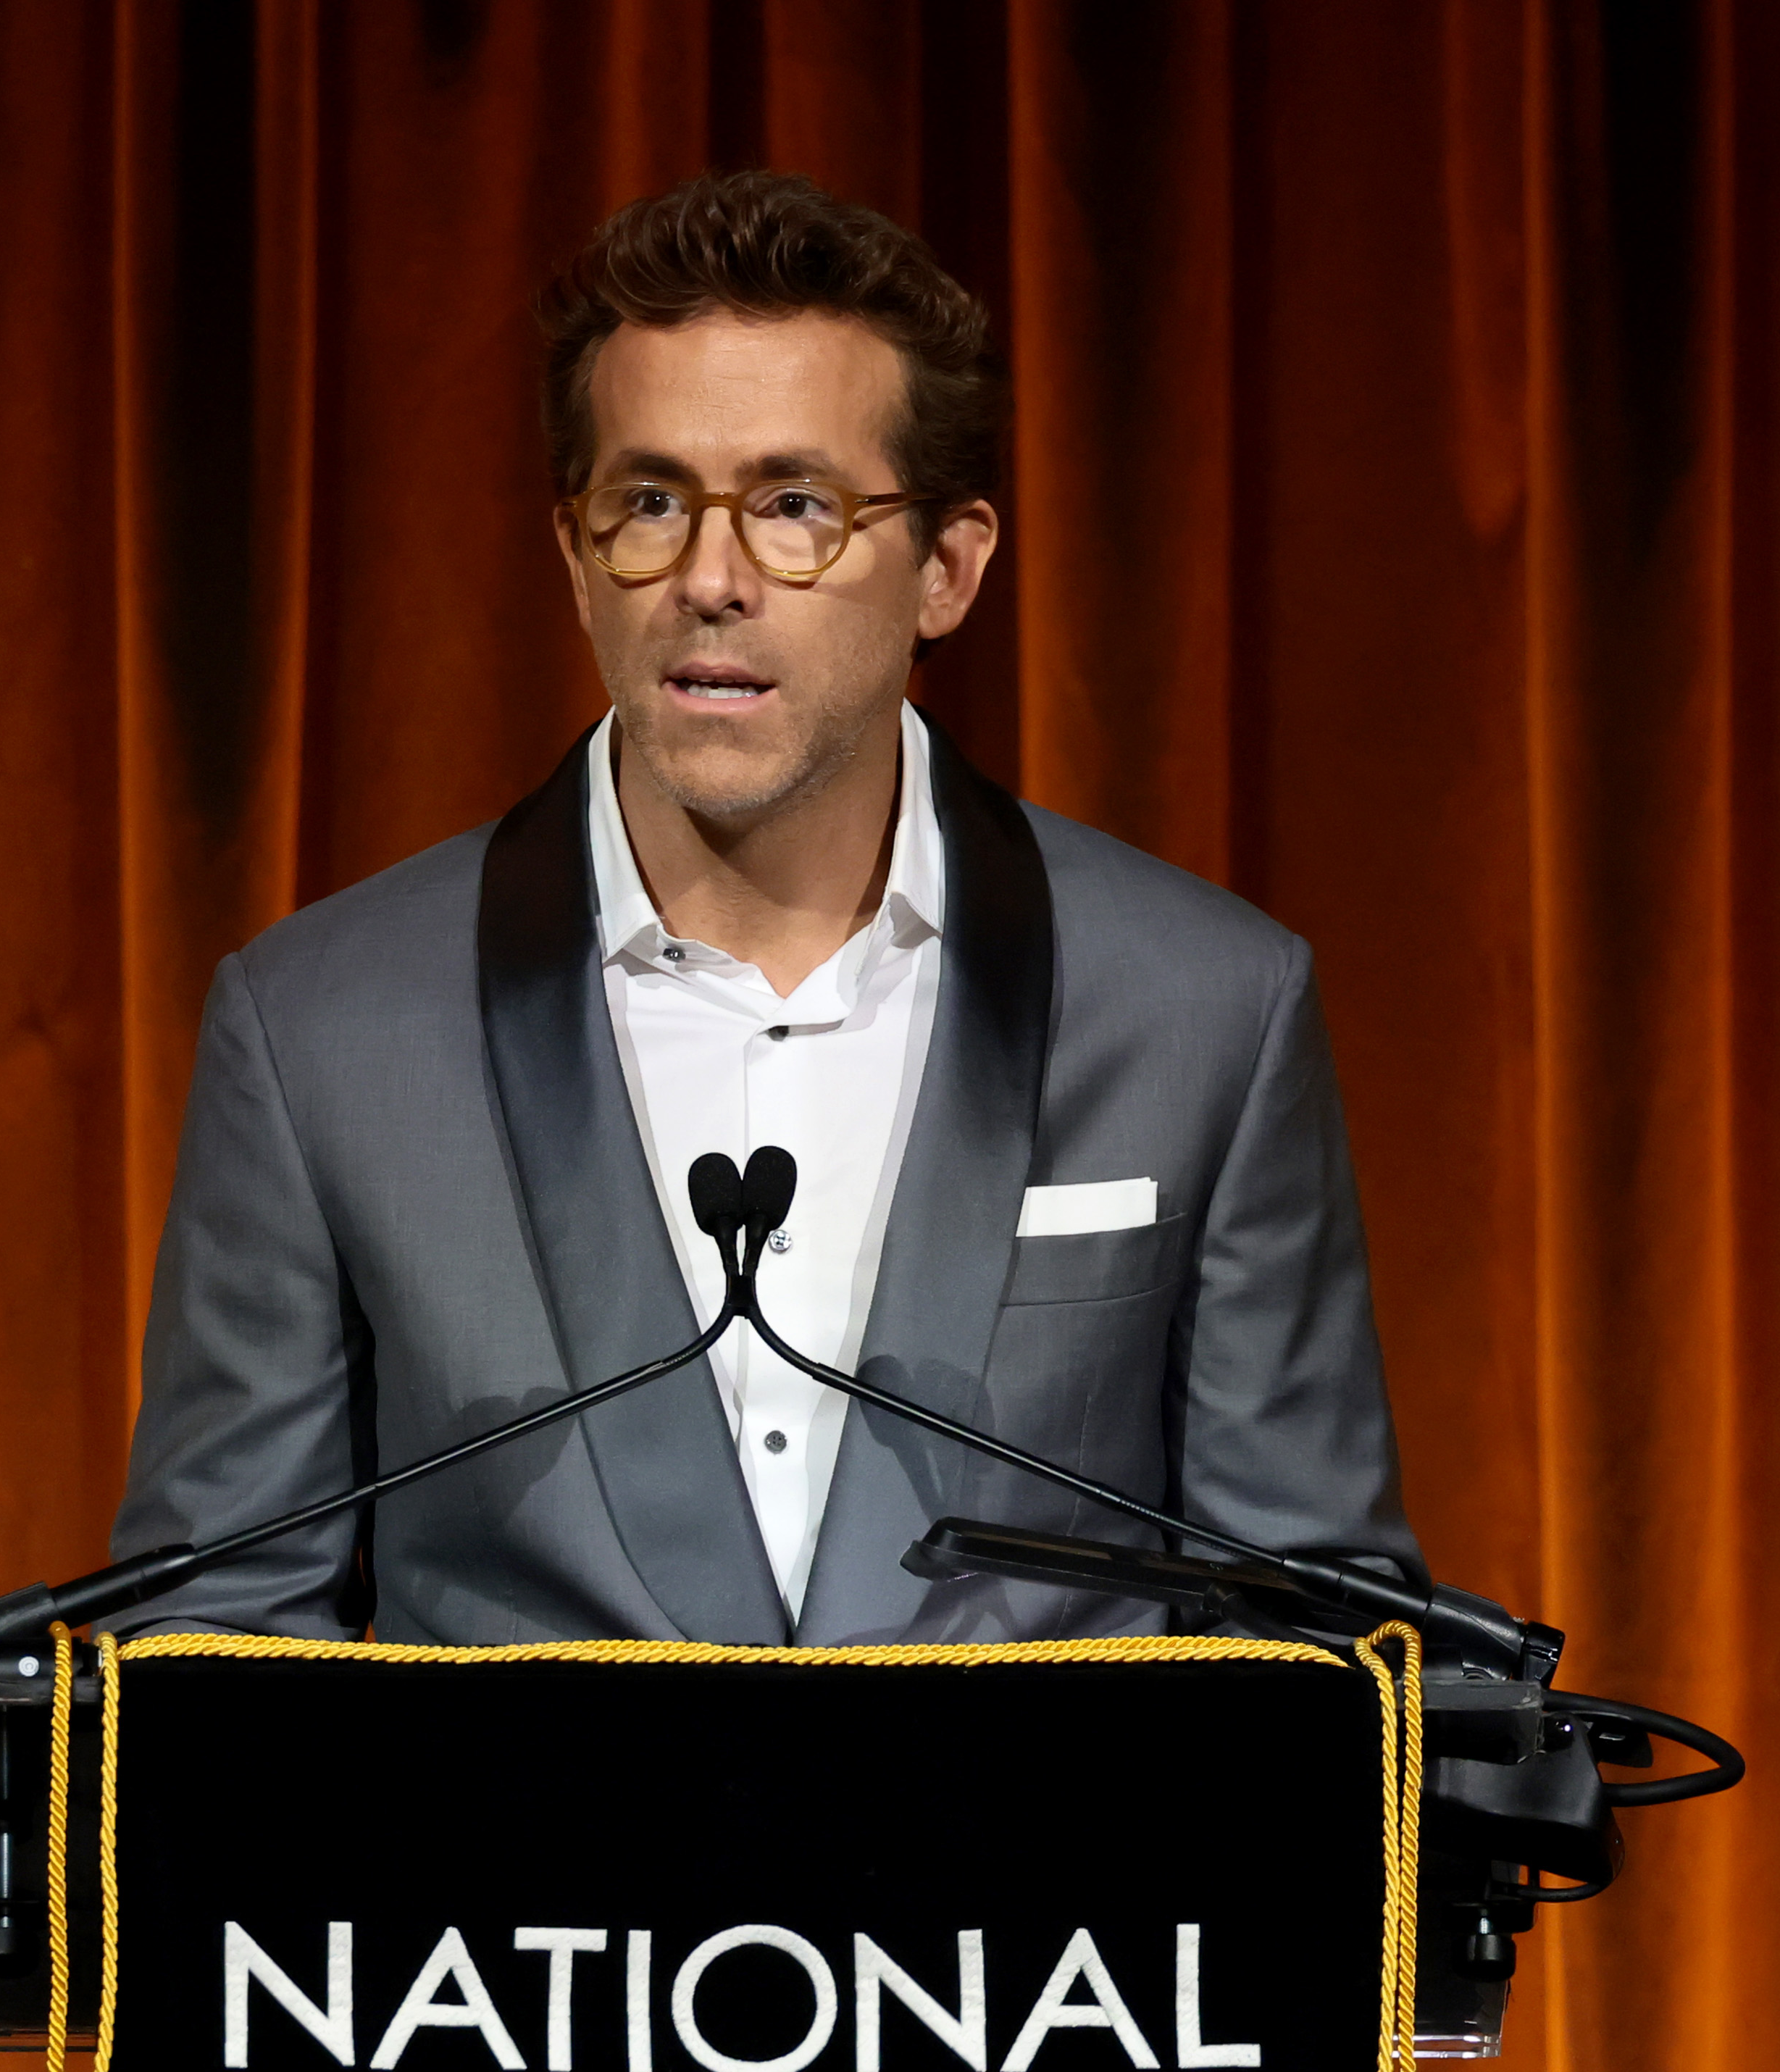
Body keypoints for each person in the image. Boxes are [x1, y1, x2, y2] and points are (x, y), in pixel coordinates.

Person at [112, 169, 1417, 1645]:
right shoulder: (323, 1031)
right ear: (575, 554)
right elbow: (217, 1644)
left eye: (796, 506)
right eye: (651, 502)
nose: (711, 579)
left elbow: (1311, 1637)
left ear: (949, 567)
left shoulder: (1205, 1010)